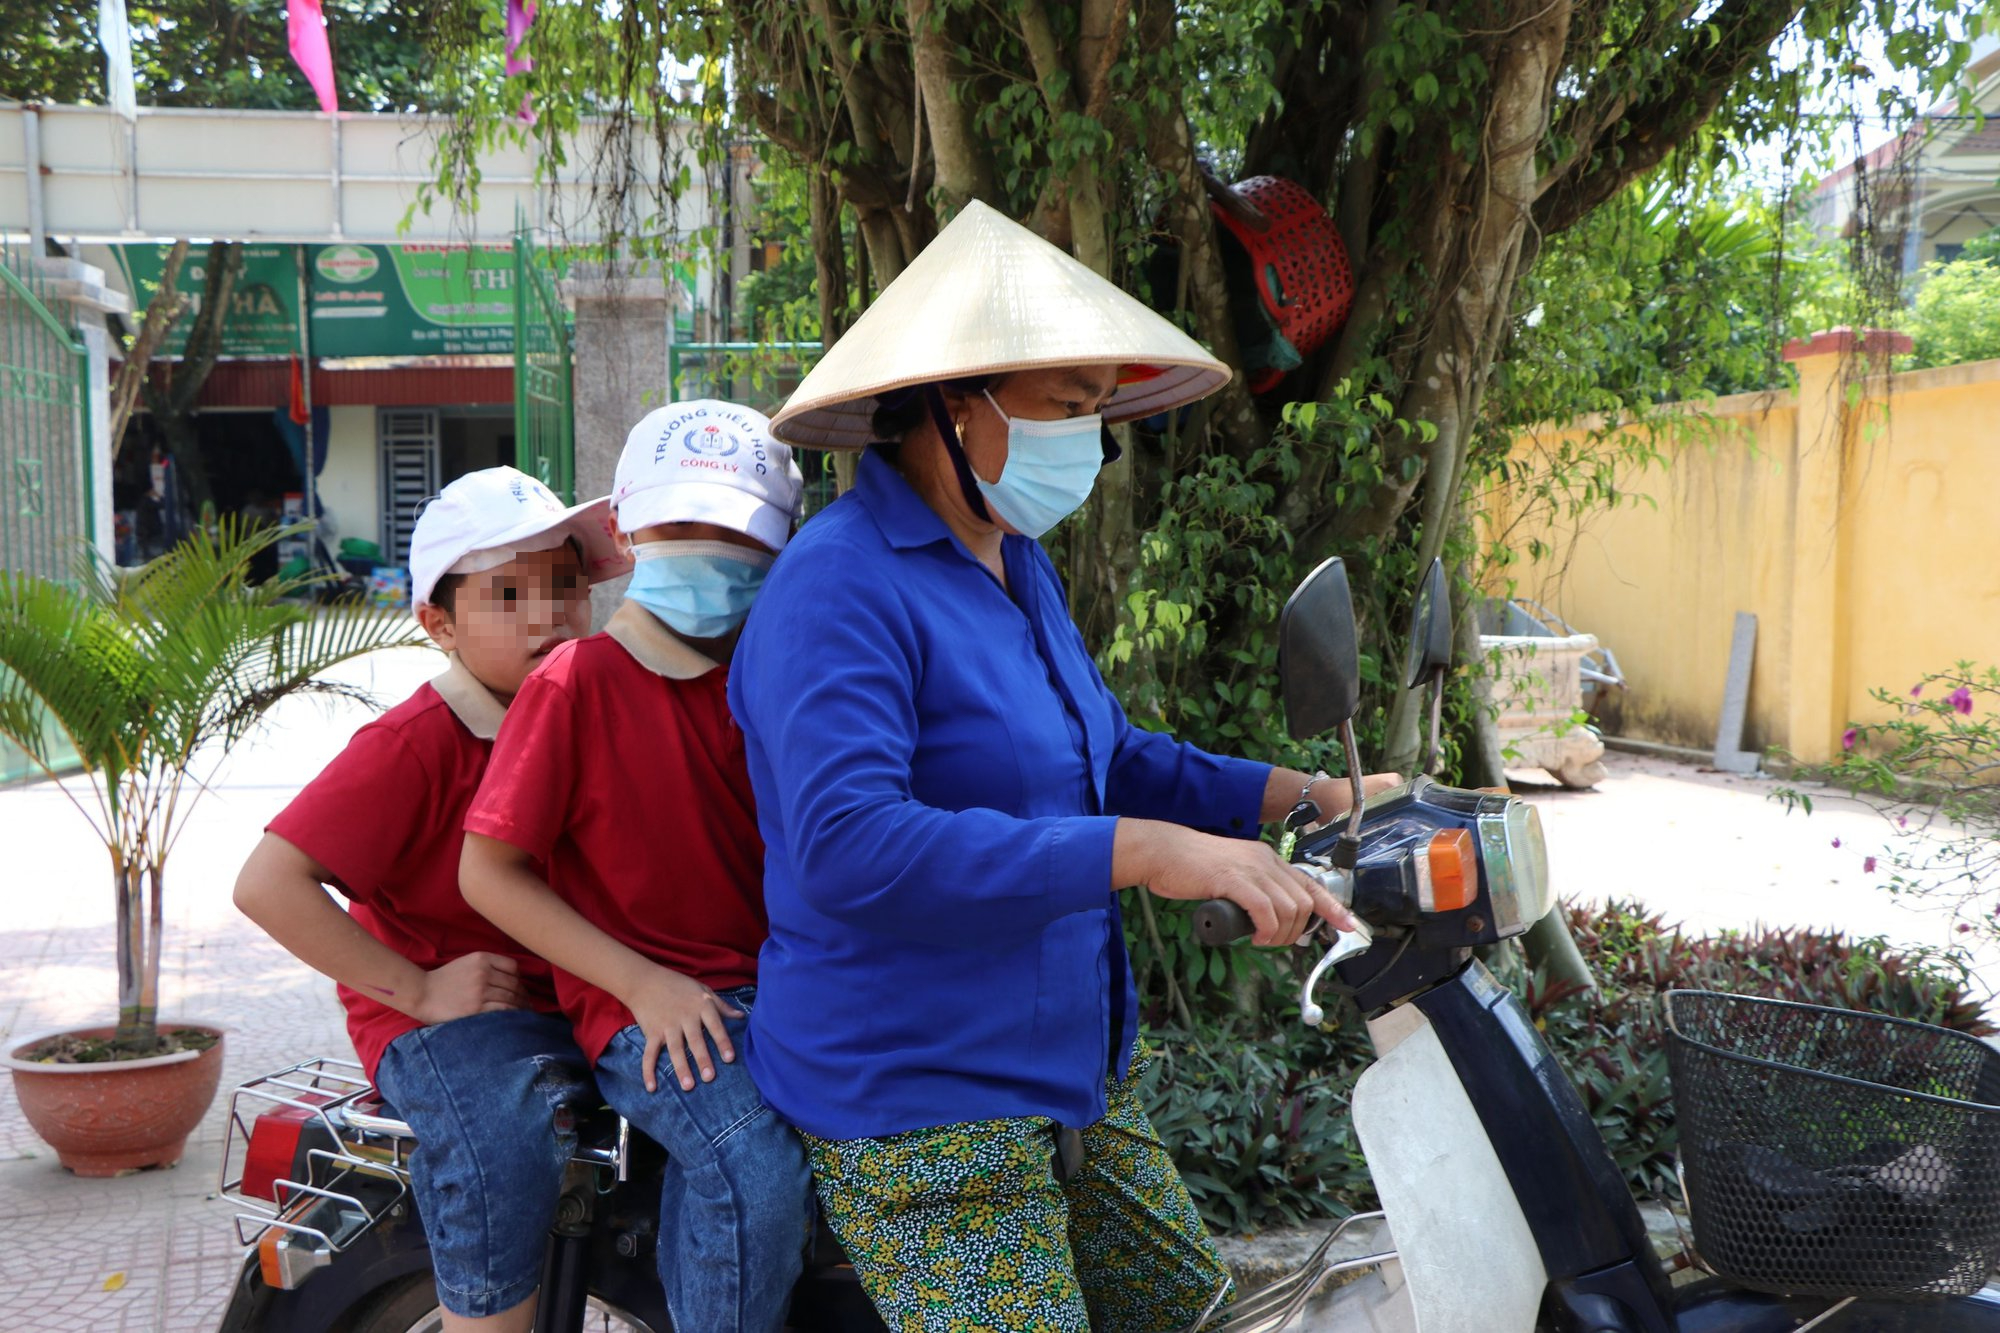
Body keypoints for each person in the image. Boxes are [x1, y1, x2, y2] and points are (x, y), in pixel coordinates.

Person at [729, 200, 1402, 1330]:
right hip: (922, 1107)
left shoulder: (1012, 560)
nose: (1088, 443)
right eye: (1066, 407)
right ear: (953, 404)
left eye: (1099, 414)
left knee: (1205, 1319)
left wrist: (1307, 797)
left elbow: (1108, 754)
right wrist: (1142, 854)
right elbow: (851, 848)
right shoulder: (835, 585)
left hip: (1073, 1078)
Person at [234, 466, 629, 1333]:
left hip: (568, 995)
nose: (547, 614)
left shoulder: (589, 706)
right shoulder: (418, 742)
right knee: (502, 1143)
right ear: (437, 623)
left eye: (566, 585)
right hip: (451, 1020)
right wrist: (417, 990)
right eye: (508, 593)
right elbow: (267, 882)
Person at [459, 401, 812, 1333]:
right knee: (751, 1162)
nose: (705, 548)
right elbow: (488, 872)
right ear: (622, 526)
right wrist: (643, 984)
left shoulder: (783, 675)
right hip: (644, 1012)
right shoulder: (575, 682)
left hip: (783, 989)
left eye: (733, 532)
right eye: (677, 521)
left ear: (783, 542)